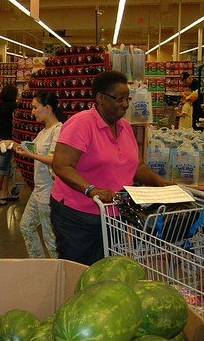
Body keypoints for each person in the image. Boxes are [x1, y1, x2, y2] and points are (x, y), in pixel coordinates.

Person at [51, 70, 171, 265]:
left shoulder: (124, 126)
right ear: (100, 98)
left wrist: (159, 182)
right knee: (77, 268)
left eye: (127, 99)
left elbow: (136, 165)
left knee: (106, 267)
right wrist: (92, 190)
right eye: (119, 99)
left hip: (115, 214)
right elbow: (62, 165)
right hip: (78, 214)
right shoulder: (80, 124)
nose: (125, 104)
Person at [15, 91, 64, 258]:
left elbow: (54, 159)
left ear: (48, 108)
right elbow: (28, 149)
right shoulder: (43, 132)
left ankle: (57, 274)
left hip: (49, 194)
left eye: (35, 107)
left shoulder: (58, 130)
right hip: (38, 192)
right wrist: (11, 144)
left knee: (51, 241)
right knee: (26, 226)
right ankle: (39, 264)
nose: (32, 112)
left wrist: (32, 155)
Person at [0, 84, 18, 206]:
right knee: (1, 170)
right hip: (5, 142)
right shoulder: (13, 107)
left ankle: (5, 192)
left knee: (6, 168)